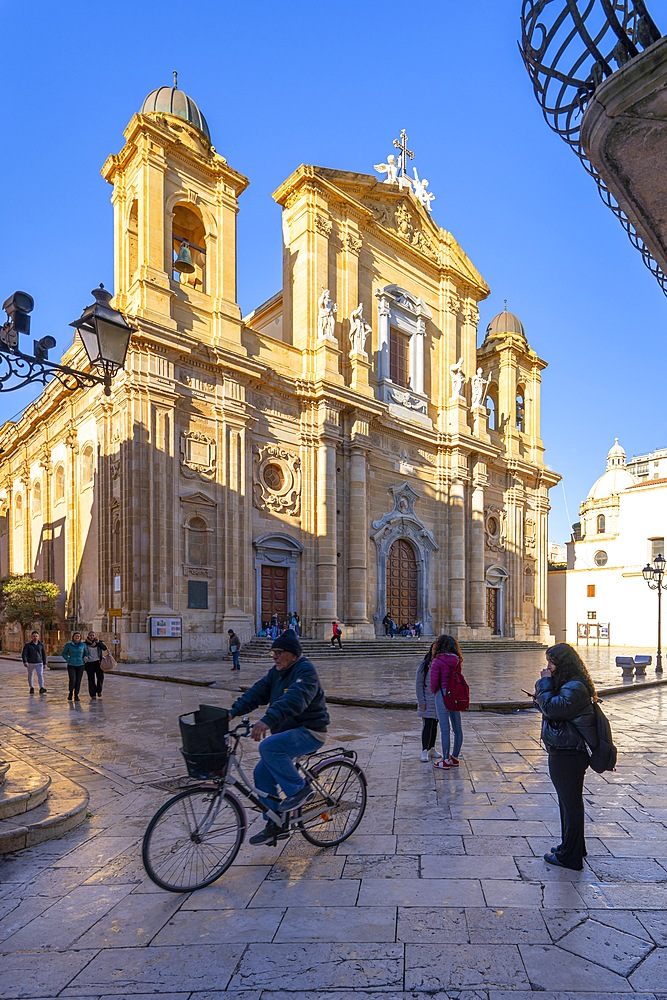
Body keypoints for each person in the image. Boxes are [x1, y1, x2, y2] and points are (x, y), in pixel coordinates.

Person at [229, 629, 330, 846]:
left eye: (278, 652)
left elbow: (295, 699)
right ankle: (277, 824)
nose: (274, 656)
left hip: (310, 731)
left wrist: (268, 720)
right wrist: (232, 712)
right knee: (261, 772)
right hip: (288, 732)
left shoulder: (305, 671)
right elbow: (257, 692)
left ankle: (300, 790)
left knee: (269, 747)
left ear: (292, 654)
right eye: (272, 652)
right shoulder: (276, 672)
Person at [533, 642, 597, 871]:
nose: (548, 666)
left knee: (570, 804)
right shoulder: (571, 684)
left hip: (568, 751)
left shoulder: (575, 687)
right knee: (567, 802)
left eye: (552, 662)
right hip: (565, 749)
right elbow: (549, 706)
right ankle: (572, 847)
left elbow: (553, 710)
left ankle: (571, 856)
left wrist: (545, 683)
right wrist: (542, 692)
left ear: (563, 664)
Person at [429, 634, 464, 770]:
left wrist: (436, 691)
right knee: (457, 729)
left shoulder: (437, 661)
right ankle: (454, 757)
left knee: (445, 729)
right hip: (455, 694)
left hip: (442, 694)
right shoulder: (457, 660)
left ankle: (445, 760)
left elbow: (433, 683)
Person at [415, 647, 441, 763]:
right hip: (427, 700)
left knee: (435, 725)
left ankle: (432, 748)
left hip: (437, 701)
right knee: (427, 725)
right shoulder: (424, 665)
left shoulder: (440, 664)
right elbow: (418, 684)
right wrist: (421, 702)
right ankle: (424, 749)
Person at [61, 631, 90, 702]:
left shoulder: (83, 645)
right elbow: (64, 653)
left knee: (78, 680)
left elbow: (86, 653)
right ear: (73, 637)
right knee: (72, 679)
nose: (77, 637)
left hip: (80, 664)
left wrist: (86, 658)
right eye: (76, 636)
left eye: (79, 636)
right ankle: (70, 692)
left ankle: (76, 694)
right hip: (71, 664)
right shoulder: (69, 644)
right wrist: (68, 659)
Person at [22, 630, 48, 695]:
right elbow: (24, 654)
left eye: (36, 636)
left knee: (40, 675)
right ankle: (31, 687)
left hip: (39, 662)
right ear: (31, 637)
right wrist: (25, 661)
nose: (35, 637)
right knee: (30, 674)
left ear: (38, 637)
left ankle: (41, 687)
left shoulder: (41, 645)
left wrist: (44, 663)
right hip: (30, 662)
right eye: (34, 636)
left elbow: (43, 654)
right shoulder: (28, 645)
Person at [84, 631, 108, 699]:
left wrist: (98, 642)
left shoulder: (98, 643)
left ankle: (99, 690)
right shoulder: (85, 644)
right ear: (88, 636)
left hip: (98, 662)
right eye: (90, 635)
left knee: (100, 677)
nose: (92, 637)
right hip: (89, 663)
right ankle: (93, 694)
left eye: (93, 635)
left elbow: (104, 648)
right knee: (91, 679)